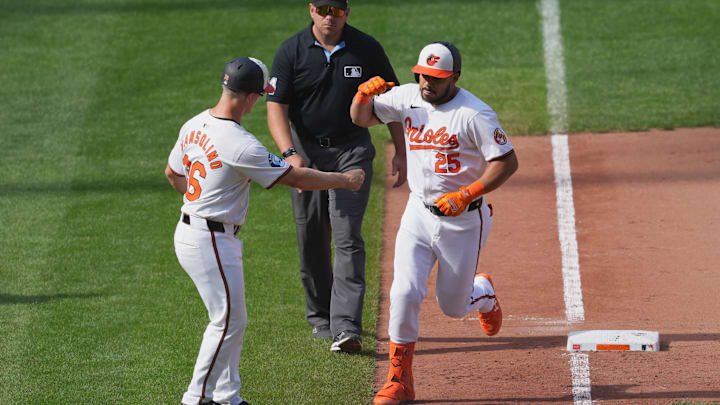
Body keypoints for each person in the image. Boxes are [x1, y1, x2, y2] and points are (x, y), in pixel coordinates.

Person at [164, 57, 365, 405]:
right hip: (210, 240)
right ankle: (195, 398)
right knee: (225, 321)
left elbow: (172, 173)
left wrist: (202, 197)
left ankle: (228, 397)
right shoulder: (239, 143)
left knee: (233, 320)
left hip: (193, 233)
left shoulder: (194, 123)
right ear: (250, 97)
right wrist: (345, 181)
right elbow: (294, 176)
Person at [350, 41, 519, 405]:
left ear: (454, 77)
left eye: (437, 78)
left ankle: (483, 293)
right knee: (403, 292)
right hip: (418, 213)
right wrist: (362, 96)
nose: (428, 83)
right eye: (423, 75)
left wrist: (465, 193)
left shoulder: (474, 114)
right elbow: (360, 118)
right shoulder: (407, 97)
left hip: (464, 221)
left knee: (453, 307)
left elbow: (506, 162)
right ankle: (398, 380)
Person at [266, 0, 406, 353]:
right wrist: (289, 154)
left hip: (352, 151)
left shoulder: (367, 48)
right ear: (311, 10)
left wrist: (402, 150)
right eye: (324, 9)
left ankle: (347, 327)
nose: (331, 16)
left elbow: (393, 101)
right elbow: (276, 108)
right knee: (312, 234)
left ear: (348, 12)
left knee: (347, 236)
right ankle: (321, 317)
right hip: (306, 153)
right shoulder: (291, 52)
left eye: (338, 10)